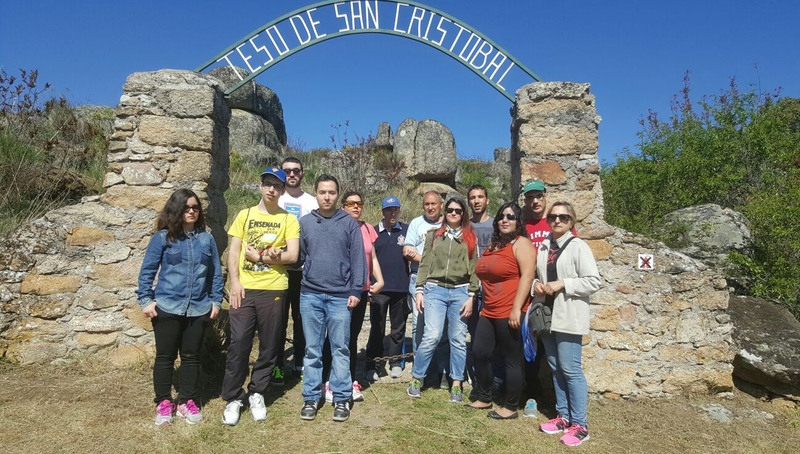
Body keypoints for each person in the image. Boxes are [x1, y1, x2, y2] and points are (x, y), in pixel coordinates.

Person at [137, 189, 224, 426]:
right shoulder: (163, 238)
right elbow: (147, 271)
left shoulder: (207, 239)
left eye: (195, 207)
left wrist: (216, 301)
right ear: (176, 210)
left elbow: (216, 274)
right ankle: (164, 403)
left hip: (198, 308)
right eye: (186, 208)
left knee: (191, 358)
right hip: (167, 307)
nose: (192, 211)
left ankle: (187, 401)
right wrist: (146, 301)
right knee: (165, 358)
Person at [221, 168, 300, 426]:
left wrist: (262, 257)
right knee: (239, 344)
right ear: (260, 186)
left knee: (269, 346)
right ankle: (233, 397)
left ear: (283, 190)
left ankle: (257, 393)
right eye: (267, 184)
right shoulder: (244, 216)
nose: (271, 190)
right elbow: (233, 251)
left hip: (275, 288)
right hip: (245, 289)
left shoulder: (289, 219)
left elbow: (292, 256)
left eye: (277, 186)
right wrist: (234, 283)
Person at [298, 174, 366, 423]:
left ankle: (341, 398)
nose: (327, 196)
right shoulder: (305, 222)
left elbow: (358, 259)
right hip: (311, 295)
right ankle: (311, 397)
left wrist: (355, 290)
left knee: (341, 349)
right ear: (315, 194)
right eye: (322, 192)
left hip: (340, 297)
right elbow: (300, 257)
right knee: (313, 350)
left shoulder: (348, 223)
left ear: (338, 195)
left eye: (332, 192)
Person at [532, 202, 601, 447]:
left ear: (571, 221)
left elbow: (593, 281)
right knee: (555, 367)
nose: (557, 220)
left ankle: (580, 425)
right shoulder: (544, 246)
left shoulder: (578, 246)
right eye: (553, 216)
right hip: (548, 314)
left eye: (563, 217)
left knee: (570, 369)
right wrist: (536, 287)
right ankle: (563, 417)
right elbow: (537, 278)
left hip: (568, 315)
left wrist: (563, 284)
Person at [407, 198, 479, 403]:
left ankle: (457, 382)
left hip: (460, 292)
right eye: (450, 210)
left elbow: (475, 269)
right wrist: (419, 290)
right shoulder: (433, 236)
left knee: (457, 339)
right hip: (434, 290)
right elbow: (425, 264)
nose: (454, 213)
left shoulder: (470, 238)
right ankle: (416, 378)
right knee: (431, 335)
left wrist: (472, 295)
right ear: (445, 213)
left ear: (463, 214)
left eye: (458, 210)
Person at [467, 202, 535, 420]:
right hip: (488, 310)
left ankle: (511, 406)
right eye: (502, 216)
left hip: (510, 310)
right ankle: (485, 398)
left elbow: (527, 276)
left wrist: (517, 309)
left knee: (511, 359)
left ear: (518, 222)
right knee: (479, 352)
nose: (505, 220)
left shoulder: (521, 243)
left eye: (511, 216)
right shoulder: (493, 245)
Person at [321, 190, 385, 403]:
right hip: (340, 290)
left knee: (353, 336)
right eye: (351, 203)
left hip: (362, 289)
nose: (356, 207)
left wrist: (380, 280)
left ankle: (348, 380)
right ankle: (328, 380)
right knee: (337, 337)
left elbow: (372, 257)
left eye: (360, 203)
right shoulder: (337, 226)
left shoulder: (367, 228)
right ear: (343, 206)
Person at [276, 156, 318, 384]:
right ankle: (278, 366)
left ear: (302, 174)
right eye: (287, 171)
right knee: (278, 321)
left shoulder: (312, 202)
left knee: (303, 319)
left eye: (296, 170)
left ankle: (300, 362)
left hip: (305, 271)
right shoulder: (275, 199)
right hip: (279, 270)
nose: (291, 174)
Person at [366, 196, 411, 380]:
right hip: (379, 289)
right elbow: (369, 260)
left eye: (395, 210)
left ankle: (395, 362)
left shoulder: (407, 231)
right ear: (382, 212)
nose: (392, 213)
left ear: (399, 210)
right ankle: (373, 364)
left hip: (400, 288)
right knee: (377, 327)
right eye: (388, 210)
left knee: (398, 328)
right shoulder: (373, 232)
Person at [466, 184, 494, 385]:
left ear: (487, 200)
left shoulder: (497, 225)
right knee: (474, 333)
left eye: (480, 197)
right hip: (470, 289)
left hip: (492, 288)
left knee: (493, 333)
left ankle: (494, 375)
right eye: (473, 198)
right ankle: (477, 374)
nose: (477, 201)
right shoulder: (465, 226)